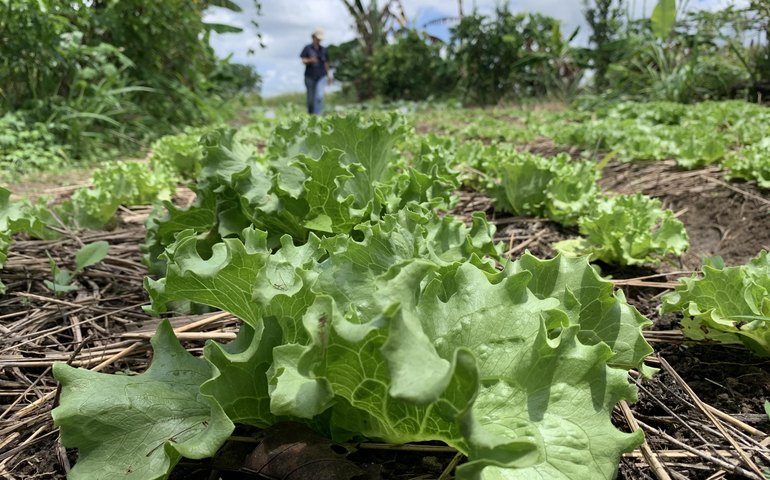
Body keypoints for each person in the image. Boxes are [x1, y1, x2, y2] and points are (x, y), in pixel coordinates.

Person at [300, 28, 332, 115]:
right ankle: (311, 115)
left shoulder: (324, 50)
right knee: (310, 99)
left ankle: (317, 116)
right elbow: (302, 60)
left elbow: (326, 63)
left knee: (319, 97)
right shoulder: (307, 48)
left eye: (320, 39)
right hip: (309, 76)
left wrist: (329, 76)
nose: (319, 41)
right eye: (317, 38)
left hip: (321, 76)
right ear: (313, 37)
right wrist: (311, 60)